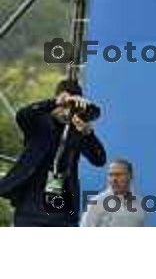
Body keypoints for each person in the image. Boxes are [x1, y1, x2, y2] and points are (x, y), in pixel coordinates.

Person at [0, 79, 106, 227]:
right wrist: (55, 102)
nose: (67, 111)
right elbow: (23, 115)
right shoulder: (39, 122)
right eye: (65, 105)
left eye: (72, 106)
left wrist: (89, 134)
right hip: (31, 208)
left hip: (62, 212)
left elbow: (99, 159)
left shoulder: (77, 129)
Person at [81, 158, 146, 227]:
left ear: (130, 176)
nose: (114, 179)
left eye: (119, 175)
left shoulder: (139, 204)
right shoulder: (96, 203)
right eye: (111, 175)